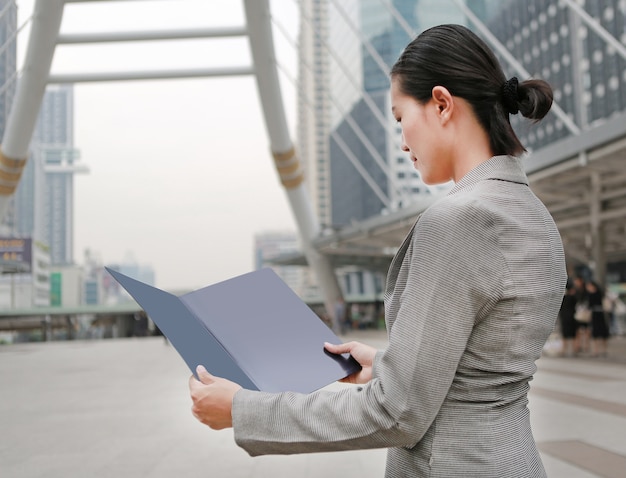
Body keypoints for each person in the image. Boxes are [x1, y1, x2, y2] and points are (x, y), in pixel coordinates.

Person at [189, 24, 567, 477]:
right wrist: (388, 365)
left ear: (442, 104)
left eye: (400, 117)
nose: (403, 140)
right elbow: (487, 366)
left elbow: (397, 413)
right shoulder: (534, 216)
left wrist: (245, 410)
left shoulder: (458, 220)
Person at [587, 280, 610, 357]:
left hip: (597, 314)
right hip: (598, 314)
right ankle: (600, 350)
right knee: (598, 333)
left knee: (599, 333)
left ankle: (599, 350)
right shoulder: (600, 293)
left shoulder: (597, 294)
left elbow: (589, 306)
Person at [559, 279, 578, 357]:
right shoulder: (573, 297)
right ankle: (573, 350)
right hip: (572, 316)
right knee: (573, 334)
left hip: (564, 316)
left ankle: (564, 349)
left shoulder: (562, 297)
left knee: (565, 334)